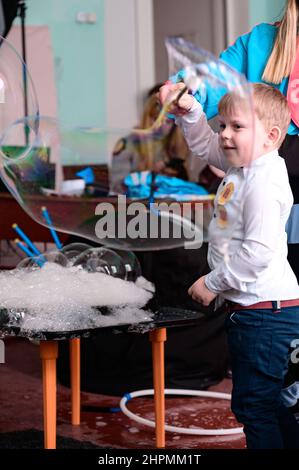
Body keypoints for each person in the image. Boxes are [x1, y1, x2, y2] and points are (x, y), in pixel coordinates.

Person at [159, 80, 299, 448]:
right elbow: (205, 145)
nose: (224, 135)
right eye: (223, 125)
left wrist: (213, 282)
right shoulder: (246, 166)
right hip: (256, 311)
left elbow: (258, 252)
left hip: (265, 315)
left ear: (270, 136)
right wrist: (192, 114)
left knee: (256, 405)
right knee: (271, 402)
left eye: (237, 127)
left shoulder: (264, 182)